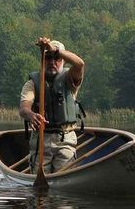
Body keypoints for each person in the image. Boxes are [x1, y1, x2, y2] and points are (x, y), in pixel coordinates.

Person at [19, 37, 85, 174]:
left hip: (65, 138)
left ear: (63, 61)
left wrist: (55, 50)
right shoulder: (32, 83)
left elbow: (80, 64)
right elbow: (24, 108)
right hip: (41, 139)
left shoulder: (70, 78)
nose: (52, 62)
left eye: (57, 58)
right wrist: (31, 115)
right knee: (39, 177)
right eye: (48, 58)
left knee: (64, 175)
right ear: (43, 61)